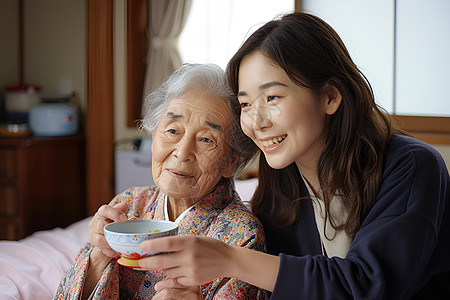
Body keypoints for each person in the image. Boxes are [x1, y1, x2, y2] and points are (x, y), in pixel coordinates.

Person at [137, 12, 450, 299]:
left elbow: (367, 286)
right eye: (246, 104)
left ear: (329, 96)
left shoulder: (413, 166)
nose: (256, 122)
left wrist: (232, 259)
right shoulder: (282, 176)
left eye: (272, 97)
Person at [54, 63, 265, 300]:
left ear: (230, 162)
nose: (182, 152)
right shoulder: (130, 204)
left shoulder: (242, 236)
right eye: (173, 131)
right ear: (154, 136)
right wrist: (98, 257)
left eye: (206, 139)